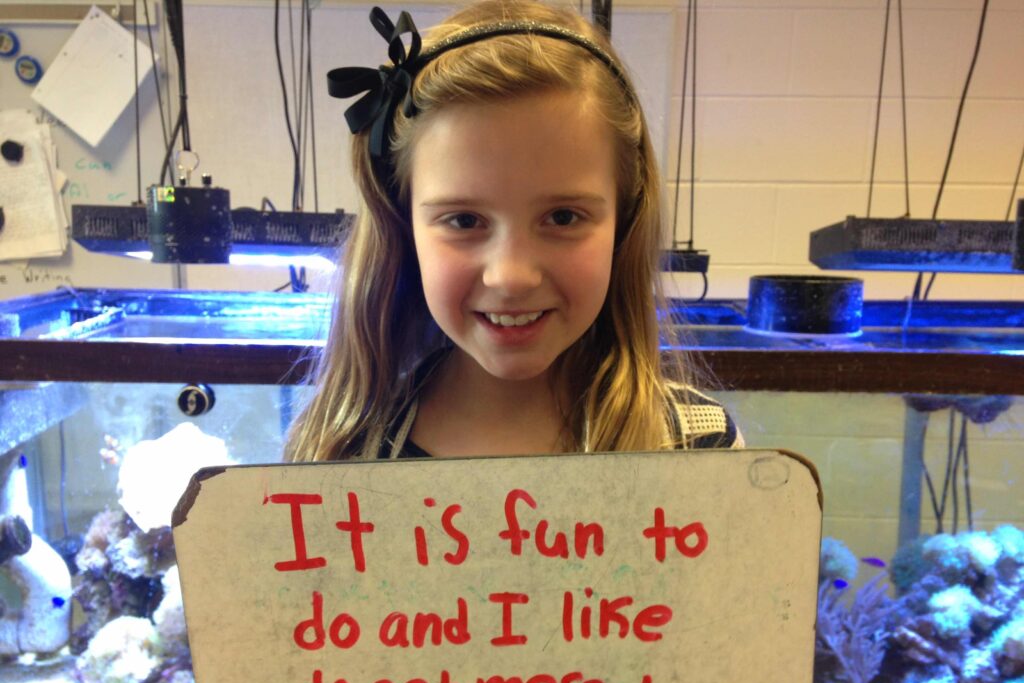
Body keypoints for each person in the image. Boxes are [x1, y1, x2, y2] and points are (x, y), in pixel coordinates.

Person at [284, 0, 742, 462]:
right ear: (403, 230)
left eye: (563, 217)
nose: (511, 277)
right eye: (464, 220)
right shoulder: (335, 456)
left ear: (626, 221)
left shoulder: (698, 448)